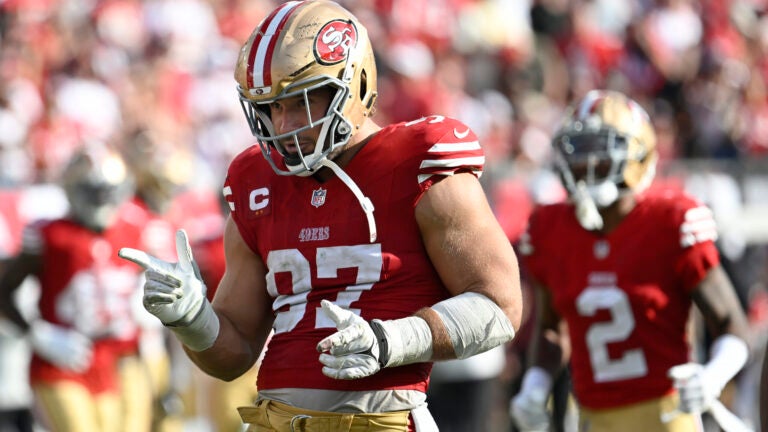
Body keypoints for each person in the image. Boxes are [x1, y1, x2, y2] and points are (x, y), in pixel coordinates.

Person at [117, 1, 523, 431]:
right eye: (270, 107)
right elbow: (231, 356)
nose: (282, 124)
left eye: (300, 102)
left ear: (354, 83)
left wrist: (393, 341)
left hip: (377, 419)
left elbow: (500, 305)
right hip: (272, 419)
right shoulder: (255, 181)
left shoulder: (419, 161)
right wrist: (191, 317)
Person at [509, 90, 750, 432]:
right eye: (579, 150)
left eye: (600, 149)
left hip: (667, 413)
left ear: (637, 155)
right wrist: (534, 386)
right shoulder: (550, 228)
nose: (586, 164)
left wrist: (714, 375)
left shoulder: (670, 221)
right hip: (592, 415)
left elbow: (732, 323)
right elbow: (551, 327)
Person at [0, 144, 154, 432]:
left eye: (107, 191)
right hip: (62, 362)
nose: (101, 200)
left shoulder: (133, 229)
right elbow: (2, 291)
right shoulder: (49, 235)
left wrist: (147, 303)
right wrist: (37, 334)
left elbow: (152, 282)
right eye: (92, 191)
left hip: (116, 359)